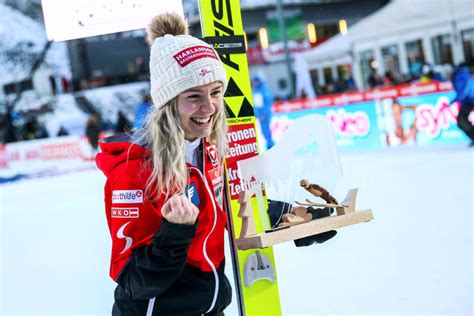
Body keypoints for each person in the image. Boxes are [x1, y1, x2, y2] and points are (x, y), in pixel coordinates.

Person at [95, 13, 231, 315]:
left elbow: (226, 205)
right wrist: (174, 231)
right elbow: (134, 280)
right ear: (168, 103)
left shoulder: (207, 150)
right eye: (193, 96)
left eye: (215, 92)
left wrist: (289, 214)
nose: (209, 107)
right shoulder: (135, 170)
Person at [451, 63, 474, 146]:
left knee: (462, 121)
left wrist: (457, 99)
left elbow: (465, 89)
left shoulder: (462, 76)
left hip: (469, 101)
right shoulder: (464, 75)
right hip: (467, 101)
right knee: (462, 121)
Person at [251, 74, 275, 149]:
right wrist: (257, 114)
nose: (253, 84)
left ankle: (270, 144)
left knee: (266, 130)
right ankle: (269, 144)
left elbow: (268, 102)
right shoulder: (255, 90)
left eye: (254, 82)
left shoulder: (264, 89)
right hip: (260, 115)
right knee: (263, 131)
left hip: (265, 115)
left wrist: (264, 114)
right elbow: (255, 104)